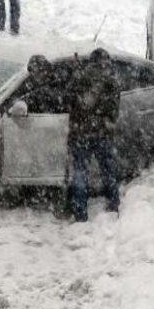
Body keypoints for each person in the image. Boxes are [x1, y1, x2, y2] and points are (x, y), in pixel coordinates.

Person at [67, 47, 120, 222]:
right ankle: (114, 204)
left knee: (80, 173)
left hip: (80, 134)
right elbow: (113, 109)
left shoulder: (80, 78)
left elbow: (68, 99)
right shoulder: (111, 80)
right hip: (102, 134)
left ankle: (80, 213)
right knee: (108, 171)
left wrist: (76, 72)